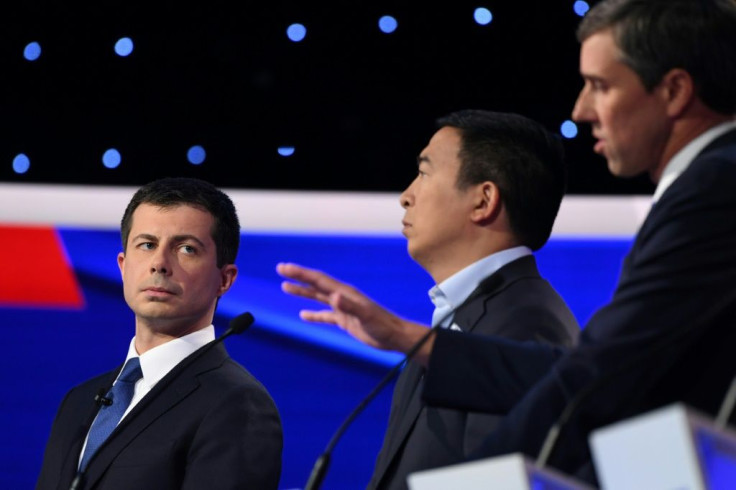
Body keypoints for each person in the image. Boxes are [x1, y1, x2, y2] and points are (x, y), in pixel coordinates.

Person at [419, 0, 736, 484]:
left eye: (601, 86)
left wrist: (478, 478)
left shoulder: (716, 186)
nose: (580, 110)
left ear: (673, 90)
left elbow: (611, 369)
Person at [277, 109, 580, 490]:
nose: (406, 196)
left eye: (424, 172)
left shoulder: (525, 323)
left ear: (483, 200)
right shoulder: (462, 316)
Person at [36, 177, 283, 489]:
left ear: (225, 279)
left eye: (186, 248)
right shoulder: (79, 401)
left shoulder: (237, 404)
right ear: (123, 265)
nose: (159, 263)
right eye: (147, 244)